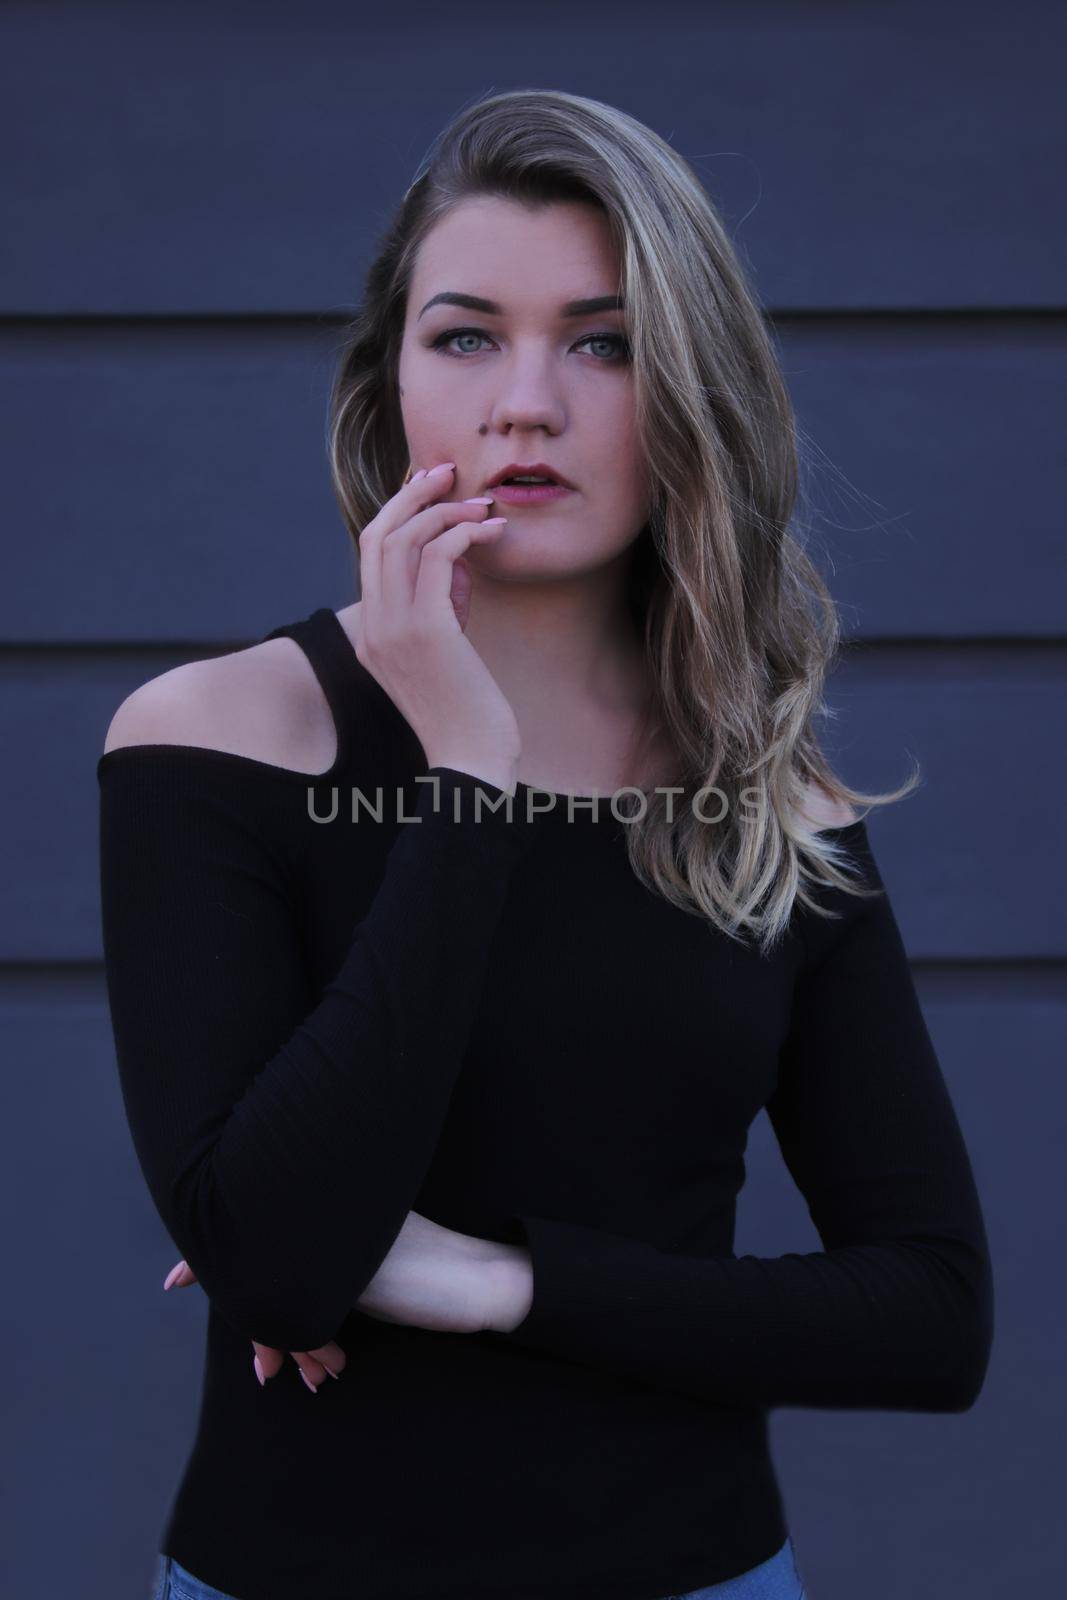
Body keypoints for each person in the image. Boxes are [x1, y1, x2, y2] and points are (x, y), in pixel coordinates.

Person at [99, 89, 993, 1600]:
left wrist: (495, 1282)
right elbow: (281, 1264)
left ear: (690, 391)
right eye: (466, 336)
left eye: (605, 341)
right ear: (389, 389)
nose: (528, 402)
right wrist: (467, 775)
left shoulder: (771, 797)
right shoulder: (217, 739)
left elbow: (927, 1317)